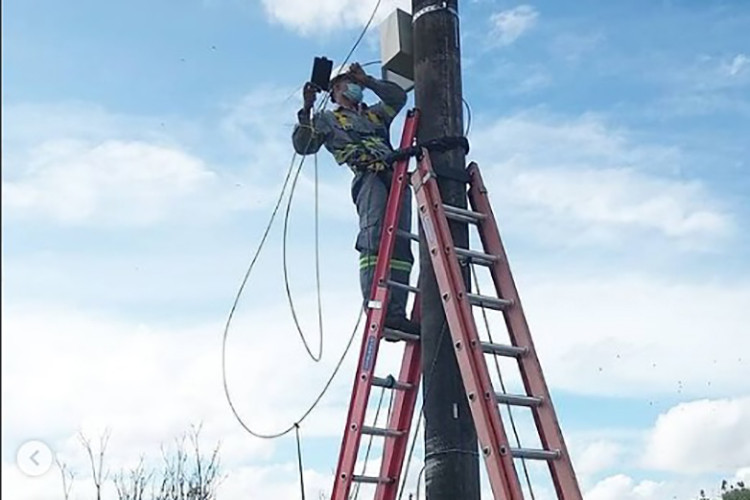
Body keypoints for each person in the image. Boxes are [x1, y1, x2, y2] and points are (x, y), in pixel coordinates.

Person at [291, 62, 419, 336]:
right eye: (350, 82)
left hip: (394, 176)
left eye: (356, 83)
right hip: (368, 177)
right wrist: (307, 109)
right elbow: (304, 145)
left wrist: (369, 80)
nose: (356, 87)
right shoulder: (329, 119)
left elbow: (398, 98)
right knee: (374, 240)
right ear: (336, 89)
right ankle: (377, 310)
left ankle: (396, 314)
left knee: (401, 243)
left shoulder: (374, 116)